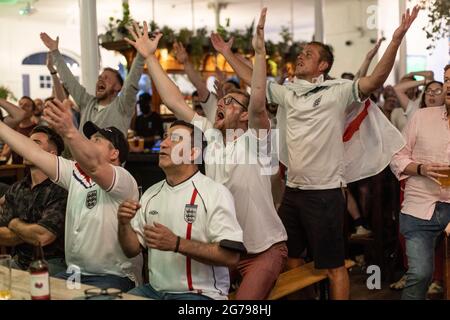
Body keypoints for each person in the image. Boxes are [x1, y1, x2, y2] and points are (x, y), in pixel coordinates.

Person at [212, 6, 419, 299]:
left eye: (308, 54)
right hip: (293, 192)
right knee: (292, 261)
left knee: (333, 266)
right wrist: (226, 53)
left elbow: (373, 81)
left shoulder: (338, 91)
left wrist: (397, 39)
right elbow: (254, 82)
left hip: (325, 193)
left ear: (323, 65)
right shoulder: (288, 91)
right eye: (301, 52)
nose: (300, 56)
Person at [125, 8, 288, 300]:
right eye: (221, 100)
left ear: (243, 115)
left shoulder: (258, 141)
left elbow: (259, 104)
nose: (221, 104)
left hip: (262, 249)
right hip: (222, 247)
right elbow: (175, 101)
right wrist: (149, 57)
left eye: (231, 102)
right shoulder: (209, 137)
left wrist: (260, 54)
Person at [0, 99, 142, 291]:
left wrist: (69, 131)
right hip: (74, 274)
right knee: (32, 292)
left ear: (114, 153)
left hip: (113, 276)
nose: (88, 144)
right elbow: (33, 152)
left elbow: (95, 165)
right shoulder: (75, 172)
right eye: (88, 140)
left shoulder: (123, 178)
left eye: (96, 141)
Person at [118, 120, 245, 300]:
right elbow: (132, 249)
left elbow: (231, 257)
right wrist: (123, 224)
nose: (163, 144)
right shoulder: (151, 194)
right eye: (165, 137)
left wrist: (177, 243)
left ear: (193, 153)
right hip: (155, 291)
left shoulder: (215, 193)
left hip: (200, 294)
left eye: (175, 139)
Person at [389, 64, 450, 300]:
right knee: (420, 274)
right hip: (420, 206)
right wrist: (421, 169)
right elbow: (397, 157)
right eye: (446, 80)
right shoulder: (421, 116)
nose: (448, 86)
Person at [40, 32, 144, 136]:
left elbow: (132, 82)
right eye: (99, 77)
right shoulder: (87, 103)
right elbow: (69, 81)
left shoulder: (122, 106)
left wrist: (141, 53)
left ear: (118, 87)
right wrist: (55, 52)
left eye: (106, 78)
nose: (100, 80)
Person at [0, 126, 67, 275]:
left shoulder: (60, 188)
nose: (26, 147)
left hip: (53, 264)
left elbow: (43, 236)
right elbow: (4, 235)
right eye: (26, 142)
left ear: (52, 154)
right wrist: (28, 232)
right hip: (18, 261)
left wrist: (14, 224)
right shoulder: (18, 188)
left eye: (35, 143)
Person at [1, 96, 37, 164]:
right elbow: (4, 156)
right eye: (20, 104)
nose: (22, 107)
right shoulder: (12, 129)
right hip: (16, 169)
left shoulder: (37, 130)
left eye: (27, 105)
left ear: (33, 111)